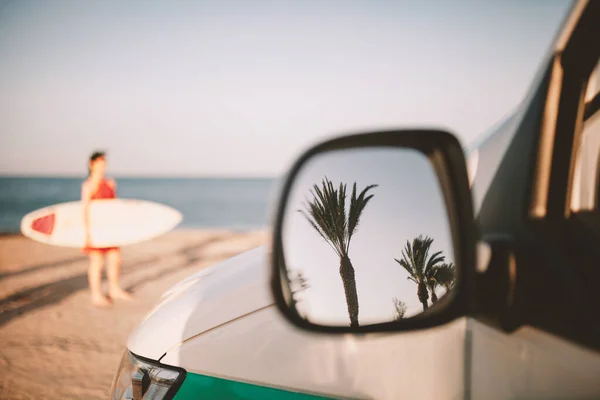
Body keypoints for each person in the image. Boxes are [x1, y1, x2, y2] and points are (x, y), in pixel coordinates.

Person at [82, 151, 133, 307]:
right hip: (96, 229)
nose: (102, 166)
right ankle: (96, 295)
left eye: (104, 163)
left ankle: (114, 290)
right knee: (97, 262)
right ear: (92, 164)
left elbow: (113, 207)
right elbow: (85, 209)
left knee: (115, 259)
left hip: (109, 229)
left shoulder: (110, 183)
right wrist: (87, 233)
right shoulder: (88, 185)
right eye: (99, 163)